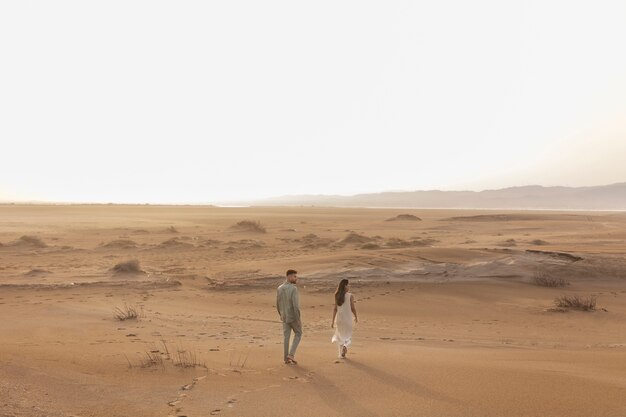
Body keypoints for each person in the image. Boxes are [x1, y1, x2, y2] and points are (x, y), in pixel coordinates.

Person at [276, 269, 302, 365]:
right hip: (293, 316)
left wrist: (280, 314)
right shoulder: (293, 289)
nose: (296, 278)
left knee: (286, 337)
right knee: (298, 333)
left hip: (284, 316)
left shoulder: (279, 288)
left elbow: (277, 304)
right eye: (295, 276)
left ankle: (286, 358)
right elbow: (296, 306)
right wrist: (298, 318)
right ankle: (291, 354)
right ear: (289, 277)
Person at [331, 278, 358, 358]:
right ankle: (345, 346)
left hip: (339, 319)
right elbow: (353, 308)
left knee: (340, 336)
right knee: (348, 336)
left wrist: (332, 321)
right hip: (348, 319)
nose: (349, 286)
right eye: (348, 285)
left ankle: (341, 354)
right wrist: (356, 316)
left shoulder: (337, 295)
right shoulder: (350, 296)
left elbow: (335, 309)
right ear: (345, 286)